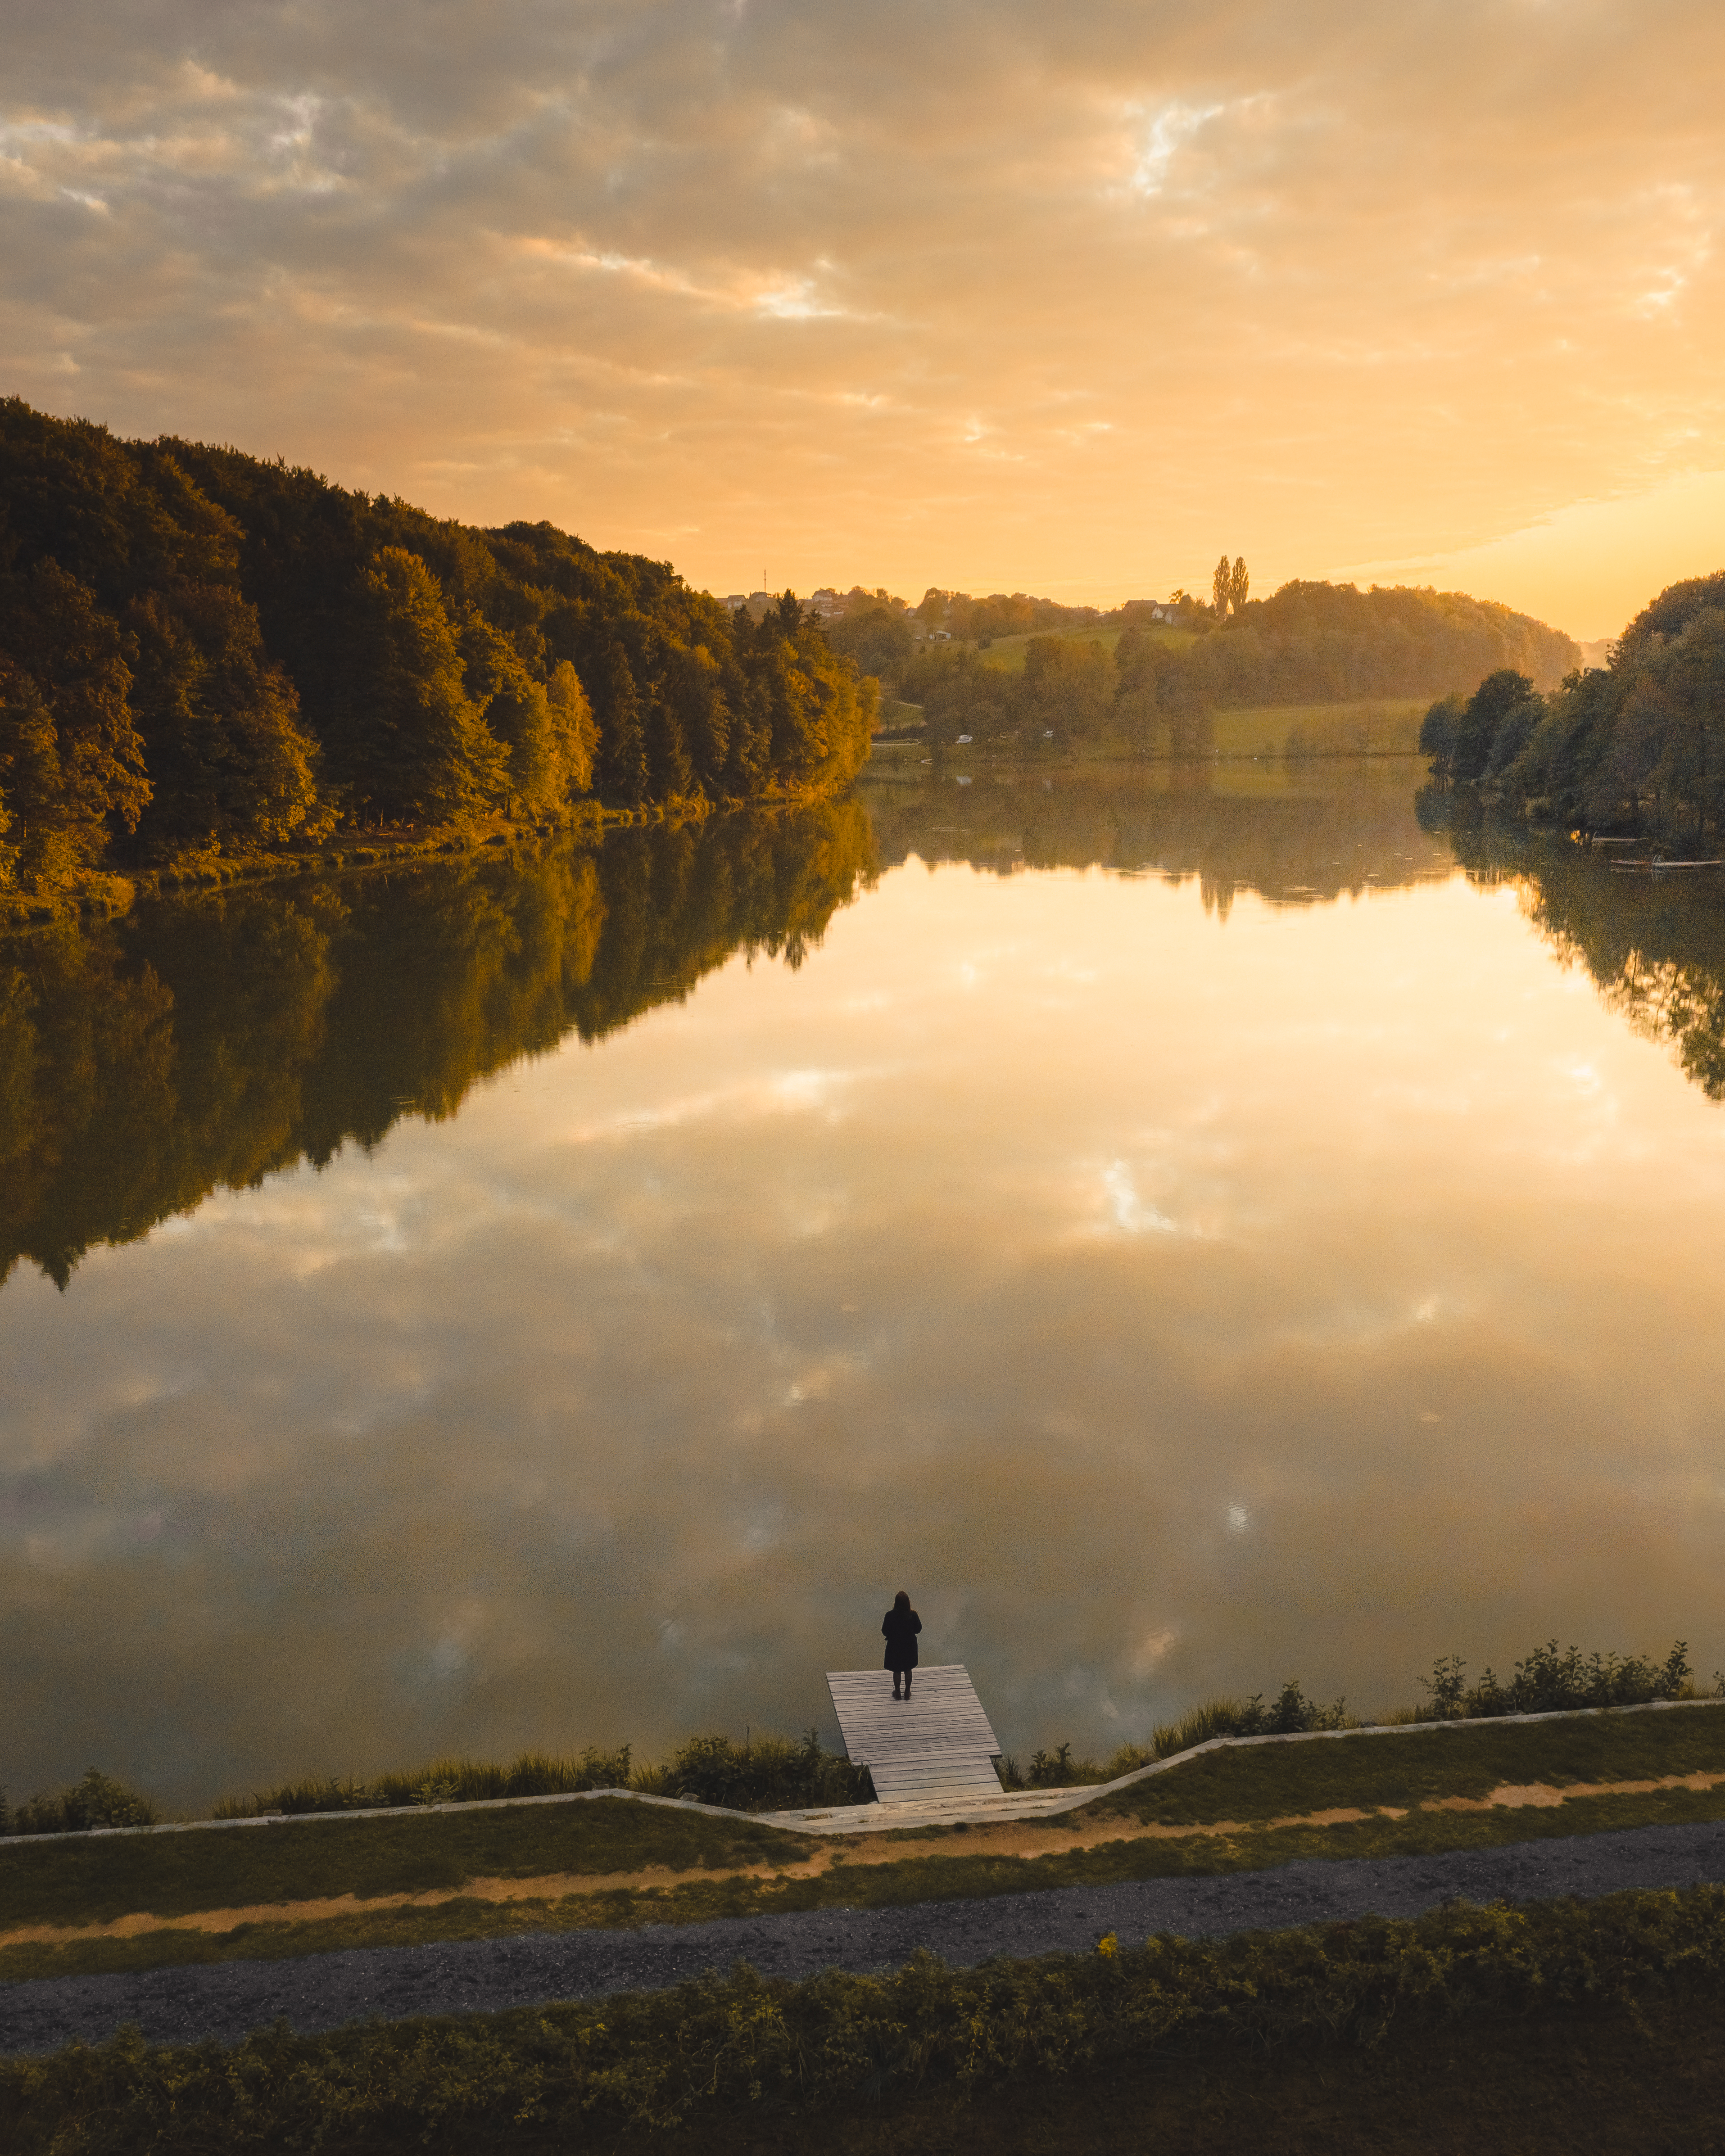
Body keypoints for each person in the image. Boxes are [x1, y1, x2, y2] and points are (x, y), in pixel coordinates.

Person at [882, 1590, 922, 1699]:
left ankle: (898, 1692)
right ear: (908, 1602)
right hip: (910, 1646)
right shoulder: (913, 1615)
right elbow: (918, 1630)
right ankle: (907, 1692)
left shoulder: (890, 1615)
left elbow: (885, 1631)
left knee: (897, 1669)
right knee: (908, 1669)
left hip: (895, 1645)